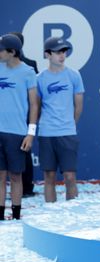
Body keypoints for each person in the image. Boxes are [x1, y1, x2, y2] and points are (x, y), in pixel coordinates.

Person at [37, 36, 84, 202]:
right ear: (47, 55)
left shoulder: (74, 75)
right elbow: (37, 107)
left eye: (64, 51)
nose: (62, 55)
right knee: (49, 176)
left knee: (70, 176)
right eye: (57, 52)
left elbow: (78, 106)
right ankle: (51, 215)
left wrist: (69, 124)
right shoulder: (40, 78)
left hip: (67, 132)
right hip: (46, 133)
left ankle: (72, 213)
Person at [0, 33, 37, 220]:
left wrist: (30, 133)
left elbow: (34, 104)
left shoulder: (28, 72)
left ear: (12, 52)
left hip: (17, 133)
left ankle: (16, 215)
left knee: (15, 177)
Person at [11, 32, 38, 198]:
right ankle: (26, 187)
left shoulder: (29, 66)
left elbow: (34, 95)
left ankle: (26, 186)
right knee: (25, 151)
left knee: (24, 151)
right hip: (16, 114)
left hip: (24, 113)